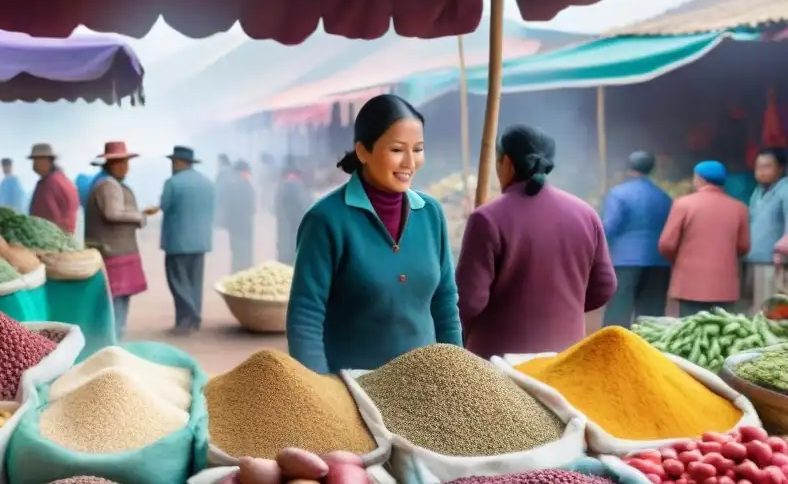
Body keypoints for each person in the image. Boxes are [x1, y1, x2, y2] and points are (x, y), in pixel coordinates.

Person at [287, 94, 461, 374]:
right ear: (363, 151)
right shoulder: (326, 220)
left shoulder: (431, 214)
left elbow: (445, 303)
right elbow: (305, 317)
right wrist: (319, 392)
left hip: (425, 390)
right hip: (351, 389)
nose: (410, 162)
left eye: (418, 149)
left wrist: (458, 372)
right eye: (397, 150)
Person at [455, 124, 616, 359]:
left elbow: (469, 300)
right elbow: (604, 287)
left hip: (499, 364)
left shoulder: (487, 217)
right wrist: (564, 307)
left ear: (507, 163)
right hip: (564, 358)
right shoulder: (585, 214)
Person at [659, 161, 750, 317]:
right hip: (724, 285)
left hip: (689, 283)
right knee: (722, 331)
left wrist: (680, 259)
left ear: (699, 179)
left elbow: (666, 244)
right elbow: (743, 246)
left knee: (691, 331)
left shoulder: (683, 204)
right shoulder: (740, 208)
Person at [85, 141, 155, 340]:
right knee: (116, 297)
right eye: (120, 163)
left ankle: (116, 334)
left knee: (121, 296)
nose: (125, 167)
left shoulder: (111, 183)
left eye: (126, 162)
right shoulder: (108, 185)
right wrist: (139, 216)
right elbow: (113, 213)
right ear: (109, 164)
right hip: (113, 250)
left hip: (120, 248)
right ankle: (113, 337)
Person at [600, 151, 673, 327]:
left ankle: (613, 349)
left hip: (625, 260)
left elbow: (610, 225)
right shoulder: (664, 197)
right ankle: (648, 351)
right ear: (652, 169)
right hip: (658, 261)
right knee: (652, 317)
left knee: (618, 310)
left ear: (629, 168)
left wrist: (602, 249)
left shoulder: (618, 194)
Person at [160, 146, 216, 335]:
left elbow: (164, 206)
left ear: (177, 163)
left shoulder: (172, 183)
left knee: (178, 281)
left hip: (177, 242)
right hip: (200, 241)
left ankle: (187, 318)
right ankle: (193, 318)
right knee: (195, 282)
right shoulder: (207, 183)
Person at [744, 147, 788, 311]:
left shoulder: (785, 190)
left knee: (771, 313)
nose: (760, 172)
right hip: (754, 260)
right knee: (756, 310)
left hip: (776, 265)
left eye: (767, 166)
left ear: (781, 169)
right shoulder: (758, 191)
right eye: (758, 167)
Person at [28, 143, 79, 236]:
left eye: (36, 160)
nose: (34, 165)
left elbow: (50, 216)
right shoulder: (52, 180)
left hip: (53, 237)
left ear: (47, 160)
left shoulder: (53, 183)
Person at [220, 160, 257, 273]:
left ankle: (237, 274)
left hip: (235, 227)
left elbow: (227, 207)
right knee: (246, 253)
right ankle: (245, 273)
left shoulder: (233, 186)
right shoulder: (247, 186)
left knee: (237, 253)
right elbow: (252, 208)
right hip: (245, 226)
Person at [275, 156, 313, 265]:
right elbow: (306, 206)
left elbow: (275, 208)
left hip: (284, 228)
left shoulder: (281, 187)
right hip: (297, 226)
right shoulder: (297, 186)